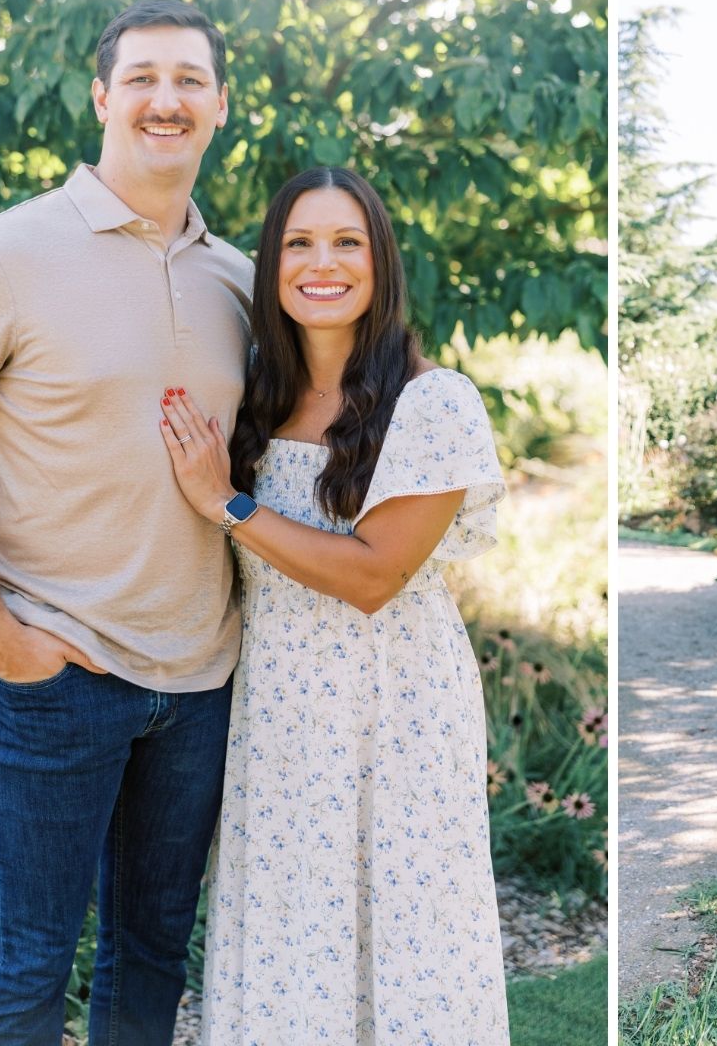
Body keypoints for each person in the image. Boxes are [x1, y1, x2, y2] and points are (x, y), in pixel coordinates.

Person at [0, 0, 251, 1044]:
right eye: (141, 78)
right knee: (31, 965)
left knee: (151, 958)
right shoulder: (1, 255)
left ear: (220, 105)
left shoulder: (238, 280)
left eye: (187, 80)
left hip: (200, 680)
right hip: (57, 673)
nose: (164, 99)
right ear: (101, 97)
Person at [159, 166, 510, 1044]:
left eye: (347, 242)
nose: (324, 263)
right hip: (276, 712)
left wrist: (230, 505)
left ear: (380, 262)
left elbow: (371, 576)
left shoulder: (431, 401)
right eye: (300, 243)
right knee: (289, 942)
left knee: (410, 936)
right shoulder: (256, 396)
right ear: (271, 265)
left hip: (398, 711)